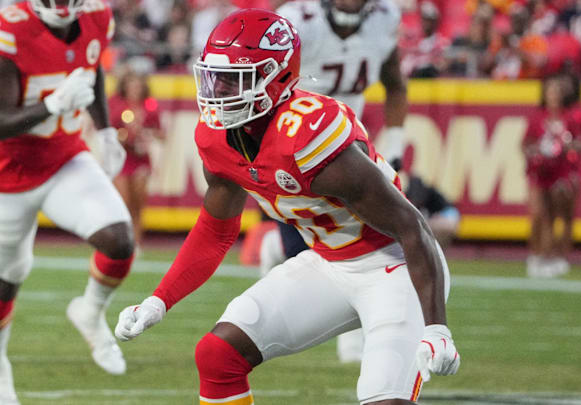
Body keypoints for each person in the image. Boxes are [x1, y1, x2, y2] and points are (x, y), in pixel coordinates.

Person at [115, 9, 460, 405]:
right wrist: (160, 300)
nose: (219, 90)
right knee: (217, 355)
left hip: (393, 267)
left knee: (383, 399)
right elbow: (215, 231)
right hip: (329, 262)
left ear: (276, 77)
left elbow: (411, 225)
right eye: (214, 76)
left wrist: (437, 328)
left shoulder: (308, 136)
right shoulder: (217, 138)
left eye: (234, 79)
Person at [0, 0, 134, 403]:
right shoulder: (8, 28)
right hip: (6, 174)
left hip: (64, 158)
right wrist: (50, 105)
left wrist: (107, 130)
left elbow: (91, 70)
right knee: (5, 281)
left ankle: (90, 312)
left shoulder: (97, 15)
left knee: (119, 240)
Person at [271, 0, 408, 363]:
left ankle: (355, 338)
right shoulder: (299, 21)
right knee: (306, 254)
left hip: (347, 141)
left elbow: (395, 84)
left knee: (373, 236)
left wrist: (394, 149)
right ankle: (275, 247)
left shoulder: (384, 18)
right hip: (294, 139)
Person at [522, 74, 581, 278]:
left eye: (556, 92)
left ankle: (557, 256)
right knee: (540, 214)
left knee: (561, 216)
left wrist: (568, 147)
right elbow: (525, 144)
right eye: (550, 92)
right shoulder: (537, 117)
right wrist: (535, 152)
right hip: (540, 171)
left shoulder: (571, 117)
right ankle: (537, 254)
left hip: (563, 171)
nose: (553, 96)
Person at [110, 69, 163, 247]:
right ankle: (122, 240)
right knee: (122, 200)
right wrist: (124, 135)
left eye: (138, 85)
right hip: (122, 157)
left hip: (140, 158)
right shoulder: (116, 105)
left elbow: (161, 134)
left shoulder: (150, 106)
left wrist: (147, 134)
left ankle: (136, 242)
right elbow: (109, 131)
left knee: (138, 201)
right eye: (132, 85)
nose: (135, 89)